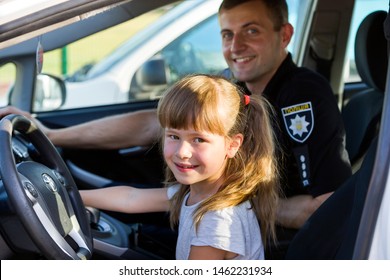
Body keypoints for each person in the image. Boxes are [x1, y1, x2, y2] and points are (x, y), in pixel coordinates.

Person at [0, 0, 352, 256]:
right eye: (227, 34)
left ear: (285, 35)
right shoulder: (233, 91)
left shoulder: (304, 94)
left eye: (252, 31)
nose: (235, 46)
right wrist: (61, 181)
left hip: (279, 243)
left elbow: (325, 207)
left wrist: (239, 198)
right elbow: (133, 191)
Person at [80, 74, 280, 260]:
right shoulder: (199, 192)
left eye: (198, 139)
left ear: (232, 145)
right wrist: (71, 194)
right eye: (174, 136)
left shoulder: (217, 222)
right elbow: (132, 198)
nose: (182, 152)